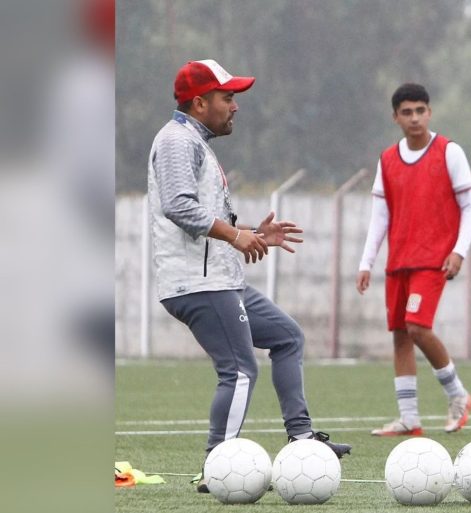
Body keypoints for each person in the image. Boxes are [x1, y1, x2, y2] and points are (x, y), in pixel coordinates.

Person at [147, 59, 351, 492]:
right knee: (239, 371)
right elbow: (178, 206)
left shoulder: (195, 141)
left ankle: (301, 440)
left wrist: (253, 233)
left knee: (287, 336)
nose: (235, 106)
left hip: (221, 279)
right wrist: (235, 234)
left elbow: (204, 213)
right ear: (199, 103)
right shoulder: (176, 141)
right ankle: (216, 467)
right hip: (196, 283)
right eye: (227, 97)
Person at [356, 83, 471, 436]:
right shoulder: (388, 159)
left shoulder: (449, 152)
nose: (415, 118)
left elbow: (470, 207)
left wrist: (459, 251)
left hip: (433, 261)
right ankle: (409, 417)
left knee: (417, 326)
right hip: (399, 262)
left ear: (430, 112)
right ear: (395, 117)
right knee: (400, 335)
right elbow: (380, 216)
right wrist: (367, 262)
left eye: (420, 110)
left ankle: (458, 394)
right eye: (407, 112)